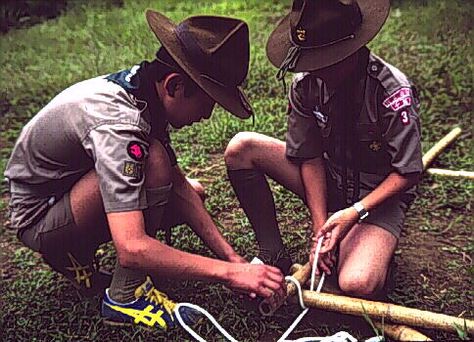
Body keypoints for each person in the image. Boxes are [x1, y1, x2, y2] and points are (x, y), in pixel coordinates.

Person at [4, 10, 285, 330]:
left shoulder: (143, 89)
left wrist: (232, 259)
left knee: (190, 190)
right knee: (154, 162)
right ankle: (124, 297)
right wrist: (232, 274)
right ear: (176, 86)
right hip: (41, 217)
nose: (207, 115)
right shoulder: (121, 125)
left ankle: (77, 252)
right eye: (209, 102)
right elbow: (132, 248)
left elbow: (179, 187)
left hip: (68, 194)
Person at [225, 0, 422, 300]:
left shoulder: (392, 91)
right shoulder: (305, 85)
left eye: (326, 59)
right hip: (333, 177)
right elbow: (310, 156)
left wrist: (354, 213)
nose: (315, 68)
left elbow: (407, 173)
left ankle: (376, 249)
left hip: (378, 194)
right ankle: (272, 251)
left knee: (357, 282)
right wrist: (321, 228)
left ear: (352, 49)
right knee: (242, 148)